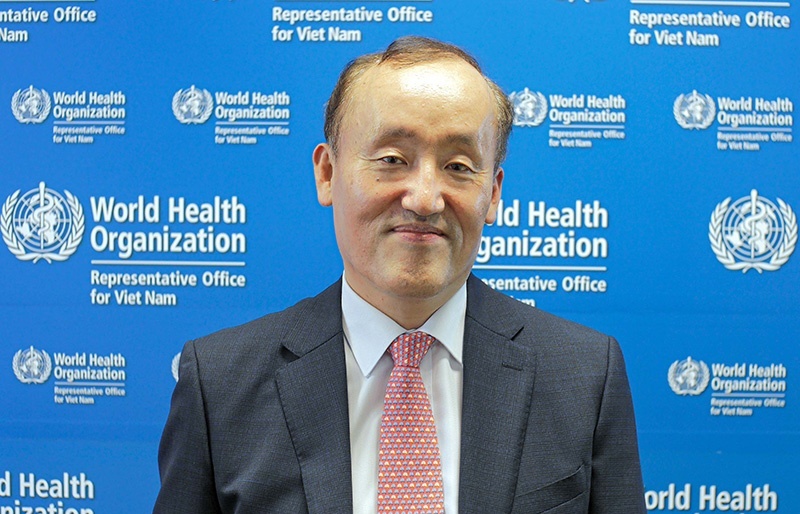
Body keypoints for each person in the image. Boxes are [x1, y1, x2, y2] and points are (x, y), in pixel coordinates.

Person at [154, 36, 646, 514]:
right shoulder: (220, 384)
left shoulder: (584, 376)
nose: (425, 199)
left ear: (493, 193)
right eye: (392, 160)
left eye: (458, 166)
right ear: (327, 173)